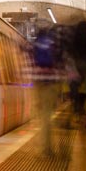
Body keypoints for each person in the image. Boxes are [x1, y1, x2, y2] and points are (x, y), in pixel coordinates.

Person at [30, 21, 66, 152]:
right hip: (51, 84)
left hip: (38, 82)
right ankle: (46, 147)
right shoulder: (55, 45)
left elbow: (31, 63)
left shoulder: (35, 44)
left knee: (41, 115)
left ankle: (44, 146)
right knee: (47, 115)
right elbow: (62, 66)